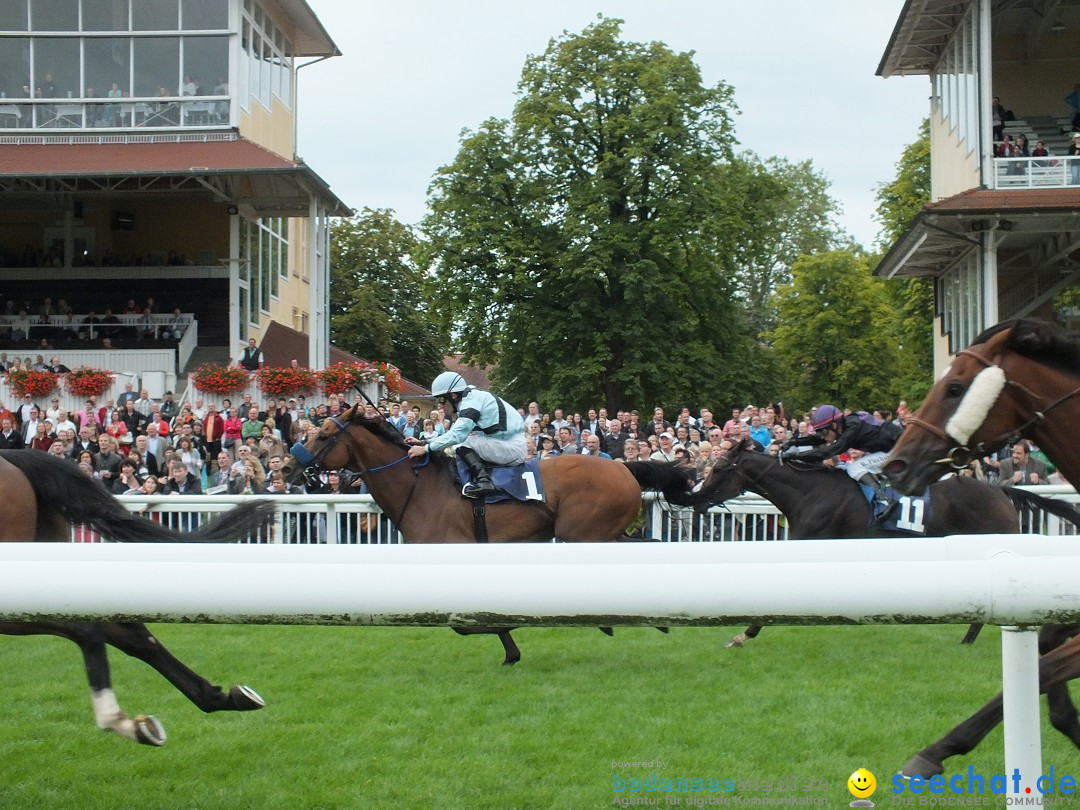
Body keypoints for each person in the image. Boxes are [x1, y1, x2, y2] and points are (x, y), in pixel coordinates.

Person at [405, 371, 526, 498]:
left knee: (462, 443)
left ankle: (484, 481)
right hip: (504, 442)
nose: (439, 405)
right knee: (464, 441)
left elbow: (456, 436)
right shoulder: (471, 398)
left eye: (441, 399)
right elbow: (454, 434)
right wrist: (425, 442)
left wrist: (425, 449)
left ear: (453, 395)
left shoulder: (470, 404)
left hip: (513, 447)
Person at [782, 404, 905, 520]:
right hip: (892, 447)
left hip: (899, 448)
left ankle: (885, 500)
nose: (823, 436)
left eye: (823, 432)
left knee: (854, 468)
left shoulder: (852, 428)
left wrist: (794, 455)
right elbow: (818, 440)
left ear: (834, 425)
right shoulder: (845, 425)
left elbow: (827, 452)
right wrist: (792, 442)